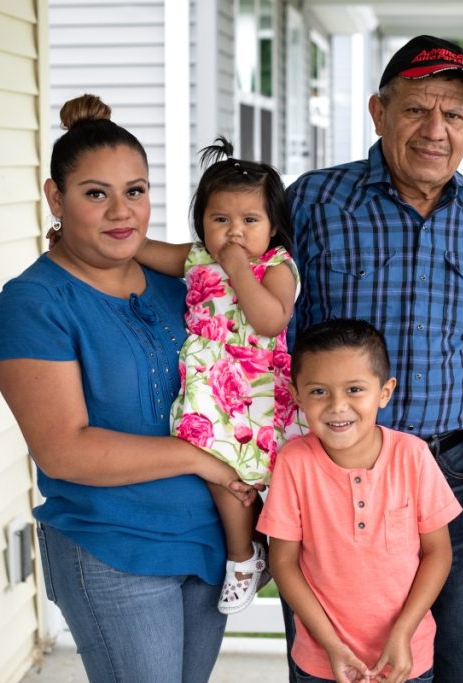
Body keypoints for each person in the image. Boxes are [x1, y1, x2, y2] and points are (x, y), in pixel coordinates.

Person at [0, 94, 255, 681]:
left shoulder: (179, 286)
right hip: (113, 547)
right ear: (56, 198)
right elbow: (65, 449)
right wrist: (203, 461)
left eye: (135, 191)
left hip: (205, 541)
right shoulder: (33, 306)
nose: (121, 212)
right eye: (95, 193)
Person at [287, 35, 463, 682]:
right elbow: (263, 320)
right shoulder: (312, 202)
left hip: (452, 474)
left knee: (449, 659)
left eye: (454, 115)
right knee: (334, 657)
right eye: (417, 109)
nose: (435, 130)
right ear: (378, 113)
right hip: (336, 469)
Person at [135, 137, 301, 614]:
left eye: (250, 221)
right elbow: (142, 250)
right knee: (224, 472)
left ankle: (258, 552)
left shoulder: (276, 266)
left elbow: (270, 320)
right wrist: (79, 239)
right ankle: (243, 556)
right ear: (202, 223)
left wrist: (238, 270)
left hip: (255, 390)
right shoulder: (195, 259)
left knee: (259, 481)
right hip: (208, 389)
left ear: (273, 226)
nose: (234, 233)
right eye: (220, 220)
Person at [259, 319, 461, 683]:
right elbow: (284, 562)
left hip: (405, 660)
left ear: (384, 392)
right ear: (297, 394)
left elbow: (438, 552)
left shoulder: (413, 456)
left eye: (355, 389)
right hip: (321, 664)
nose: (338, 406)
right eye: (319, 392)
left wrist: (403, 633)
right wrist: (332, 645)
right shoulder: (294, 462)